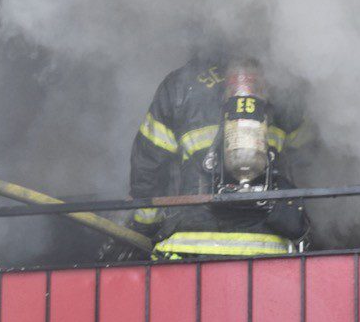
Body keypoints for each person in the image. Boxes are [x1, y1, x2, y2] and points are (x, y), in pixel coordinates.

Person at [128, 52, 310, 258]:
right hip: (269, 252)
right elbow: (307, 160)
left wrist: (144, 224)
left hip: (188, 249)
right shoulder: (285, 85)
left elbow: (148, 166)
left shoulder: (179, 85)